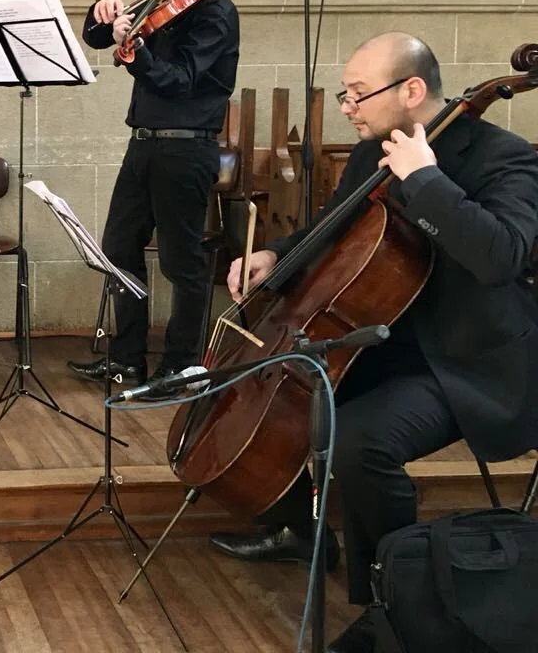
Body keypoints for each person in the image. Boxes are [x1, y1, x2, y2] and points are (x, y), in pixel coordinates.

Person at [210, 33, 538, 653]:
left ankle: (389, 599)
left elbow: (501, 256)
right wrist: (274, 254)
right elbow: (334, 230)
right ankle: (300, 530)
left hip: (466, 360)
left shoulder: (507, 158)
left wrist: (428, 179)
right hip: (386, 339)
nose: (348, 107)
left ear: (412, 91)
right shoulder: (370, 155)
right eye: (346, 94)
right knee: (289, 379)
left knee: (356, 436)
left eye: (358, 94)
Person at [67, 0, 239, 394]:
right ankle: (127, 361)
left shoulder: (215, 12)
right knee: (119, 250)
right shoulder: (164, 2)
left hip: (187, 150)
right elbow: (97, 37)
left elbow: (179, 81)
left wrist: (136, 49)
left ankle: (182, 364)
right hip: (144, 145)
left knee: (181, 261)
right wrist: (103, 8)